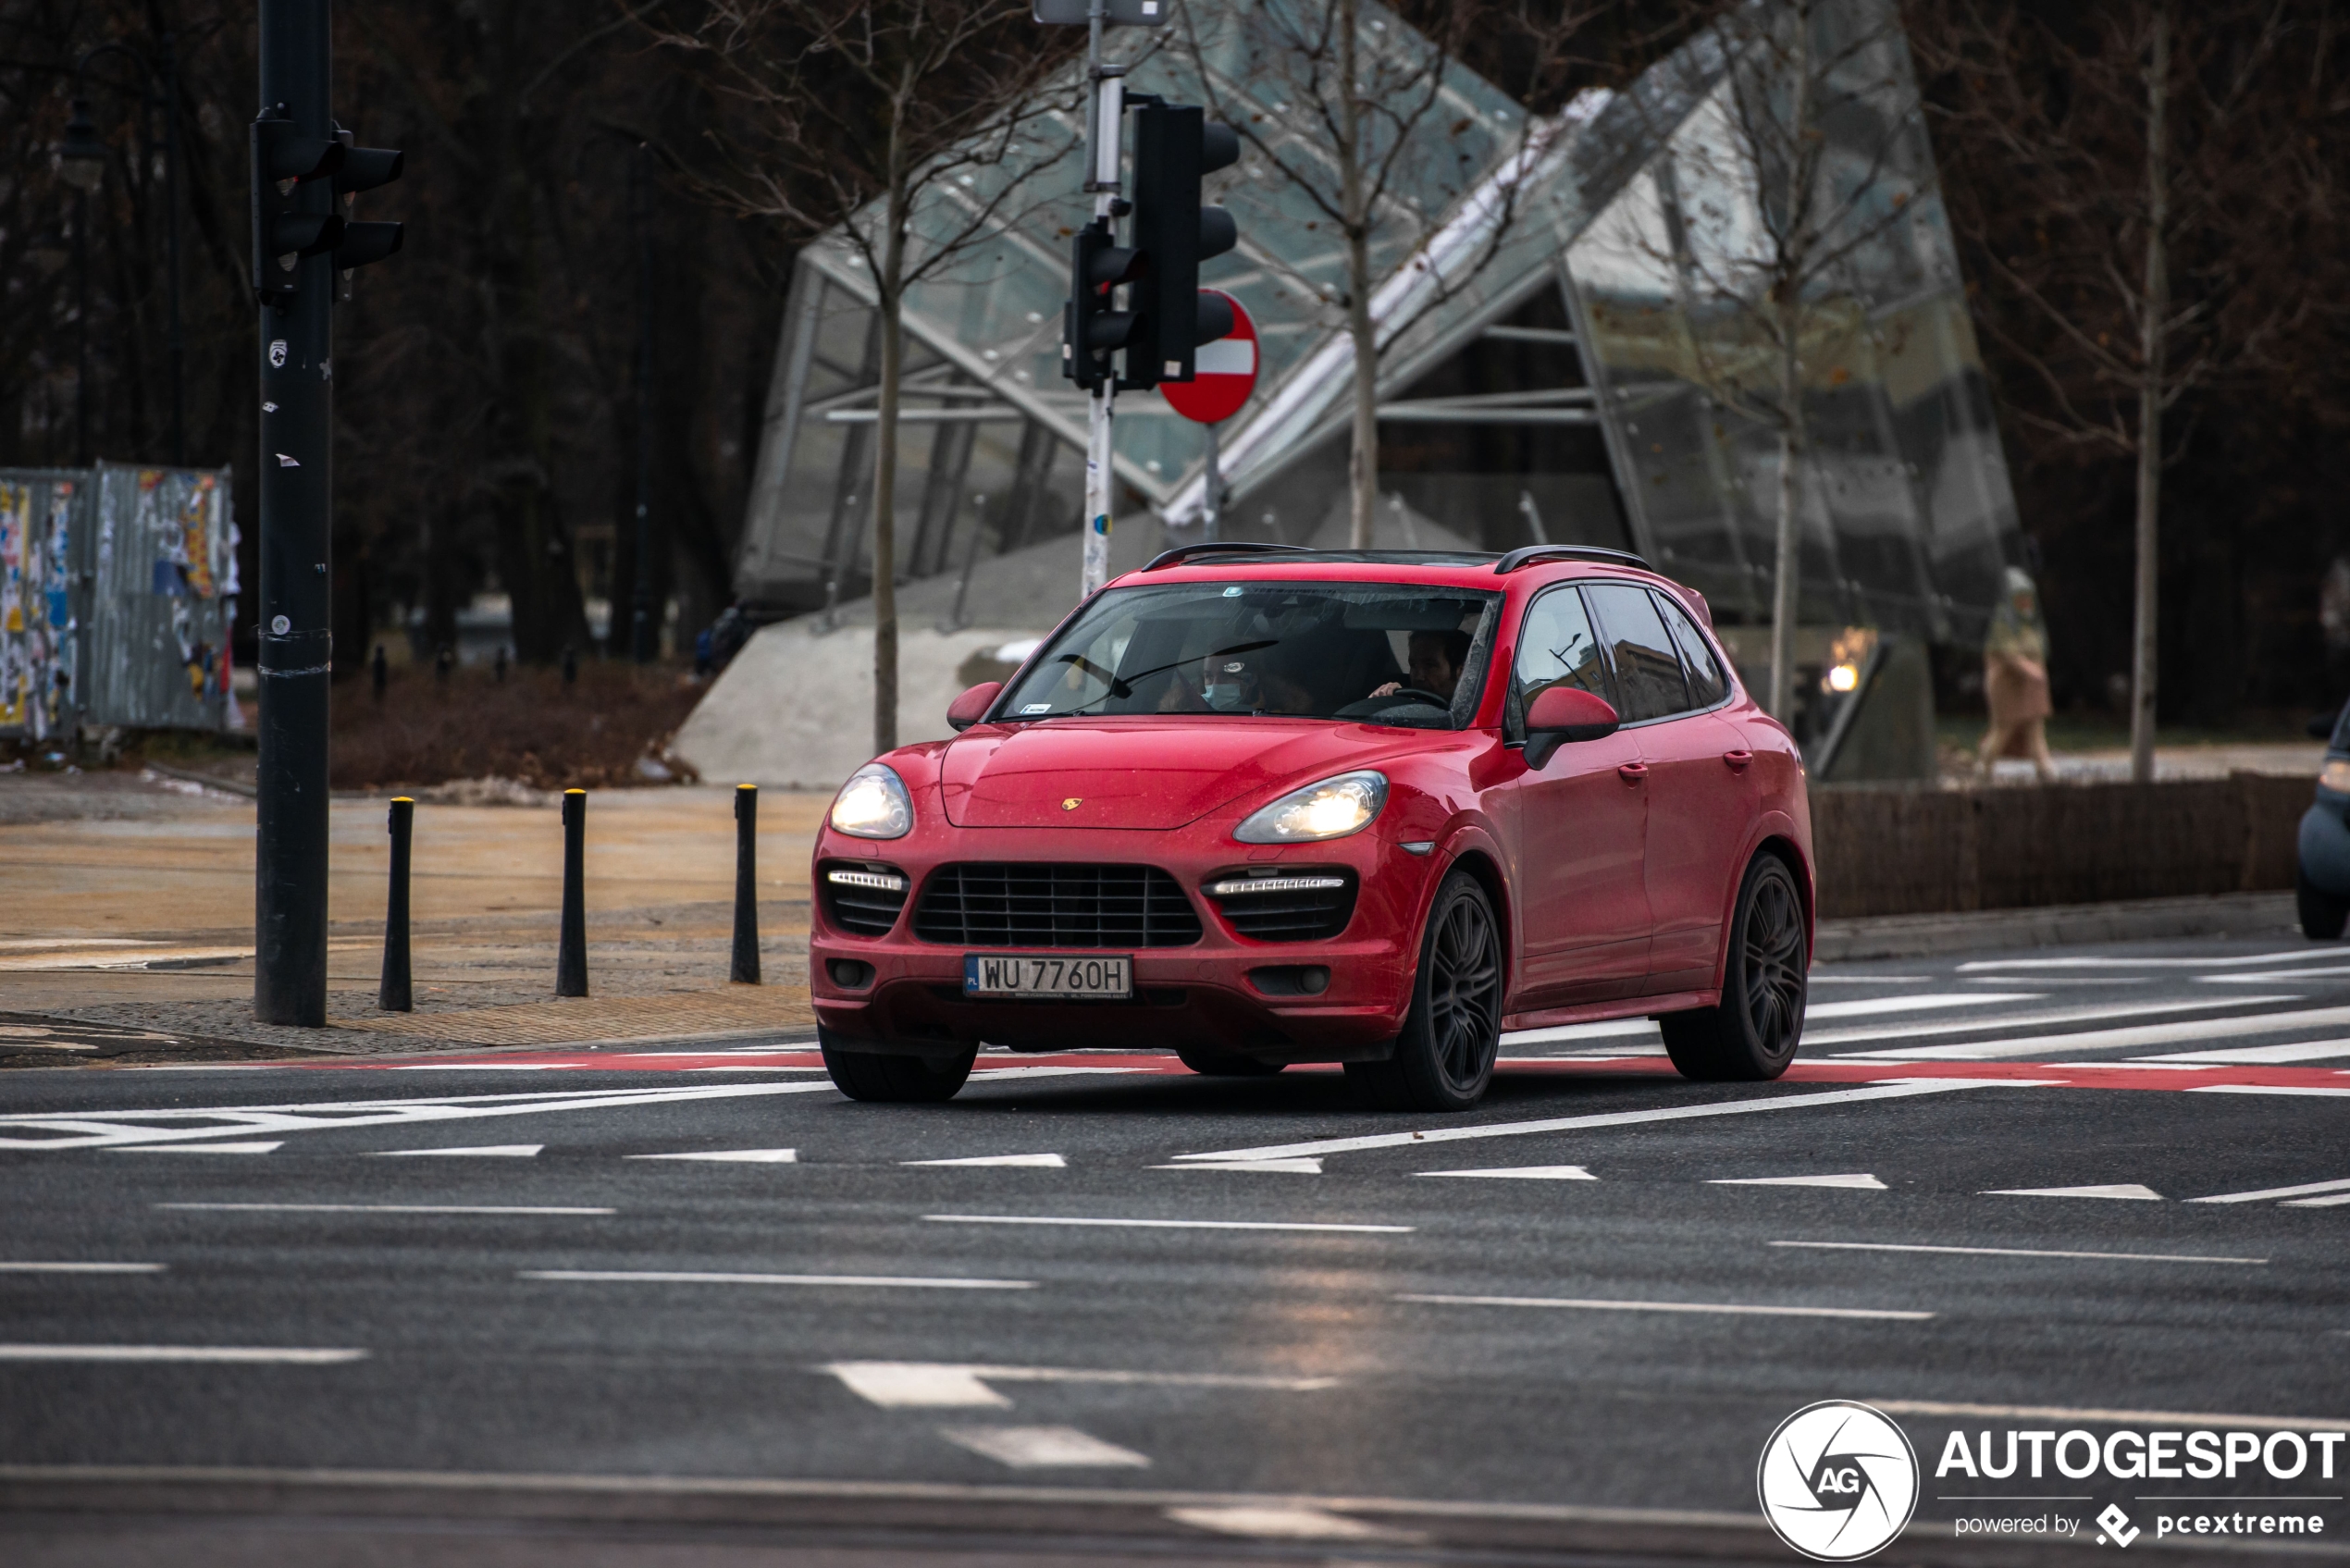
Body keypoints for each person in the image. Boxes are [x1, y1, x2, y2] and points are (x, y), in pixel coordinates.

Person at [1980, 565, 2056, 783]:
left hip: (2031, 686)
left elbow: (2038, 649)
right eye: (2021, 597)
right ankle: (1984, 768)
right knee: (2003, 730)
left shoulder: (2029, 623)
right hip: (2007, 685)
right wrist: (2030, 670)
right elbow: (2008, 654)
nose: (2026, 602)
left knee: (2036, 729)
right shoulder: (2003, 622)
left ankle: (2044, 767)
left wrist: (2036, 672)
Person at [1369, 628, 1472, 705]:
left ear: (1460, 671)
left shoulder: (1474, 715)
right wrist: (1382, 702)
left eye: (1430, 665)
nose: (1419, 676)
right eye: (1413, 665)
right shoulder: (1404, 702)